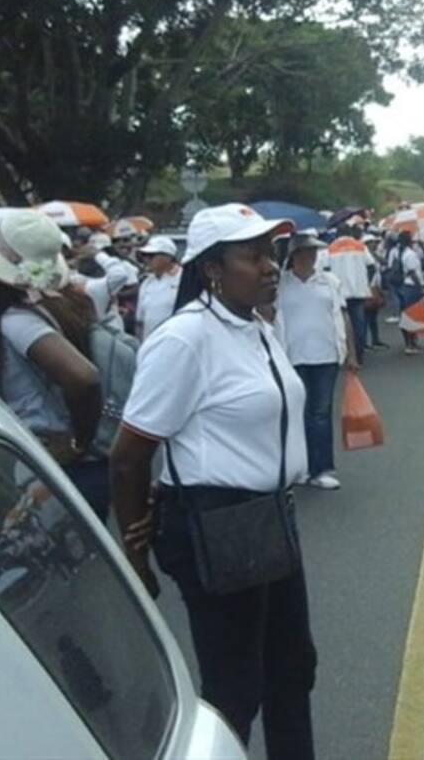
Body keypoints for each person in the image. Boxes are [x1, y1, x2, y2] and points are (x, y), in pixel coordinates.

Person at [109, 204, 317, 757]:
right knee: (235, 687)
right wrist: (135, 553)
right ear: (211, 269)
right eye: (252, 256)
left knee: (293, 669)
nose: (269, 266)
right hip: (217, 521)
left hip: (269, 516)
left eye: (269, 253)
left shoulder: (257, 327)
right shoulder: (185, 339)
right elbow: (130, 454)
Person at [0, 209, 107, 518]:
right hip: (81, 469)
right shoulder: (56, 304)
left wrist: (79, 441)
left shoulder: (17, 320)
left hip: (50, 461)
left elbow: (83, 377)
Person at [275, 231, 357, 491]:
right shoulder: (280, 284)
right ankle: (300, 467)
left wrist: (351, 353)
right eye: (304, 251)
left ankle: (322, 468)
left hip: (326, 356)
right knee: (295, 413)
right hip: (291, 356)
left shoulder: (329, 282)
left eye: (313, 252)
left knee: (320, 414)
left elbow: (343, 317)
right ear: (294, 255)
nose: (310, 256)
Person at [325, 224, 374, 365]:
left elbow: (325, 269)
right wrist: (366, 283)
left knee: (342, 325)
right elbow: (371, 266)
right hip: (358, 292)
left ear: (337, 234)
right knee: (359, 324)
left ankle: (346, 355)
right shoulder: (360, 246)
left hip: (339, 293)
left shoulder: (330, 248)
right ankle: (359, 354)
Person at [134, 236, 182, 341]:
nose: (146, 259)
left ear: (168, 257)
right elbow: (139, 322)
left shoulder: (184, 279)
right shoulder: (147, 283)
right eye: (145, 255)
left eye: (151, 256)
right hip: (150, 342)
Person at [388, 232, 424, 355]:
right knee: (412, 315)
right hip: (411, 286)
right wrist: (421, 288)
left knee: (405, 315)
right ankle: (411, 343)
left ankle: (408, 342)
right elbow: (413, 273)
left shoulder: (397, 253)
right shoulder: (410, 254)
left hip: (401, 286)